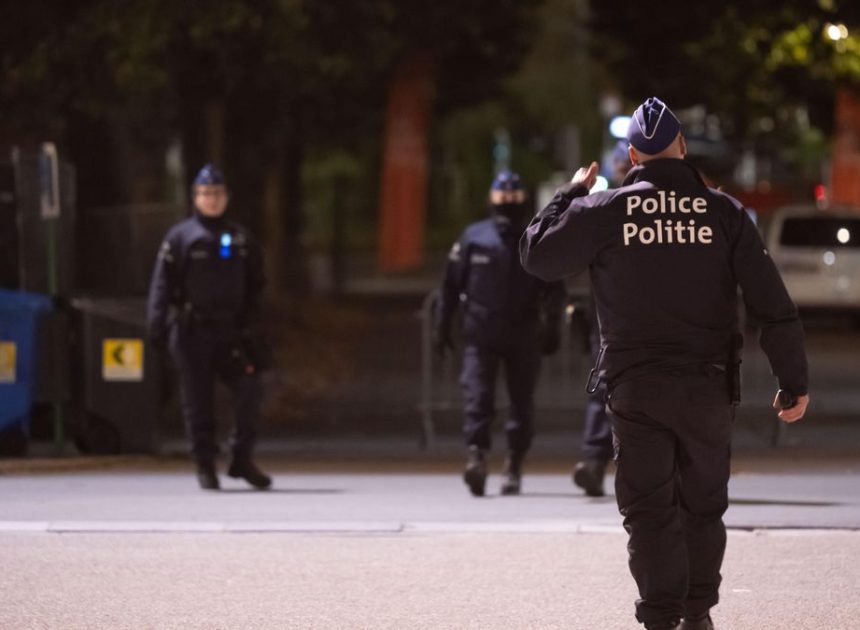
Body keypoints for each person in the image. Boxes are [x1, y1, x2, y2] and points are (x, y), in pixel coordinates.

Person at [520, 97, 809, 630]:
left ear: (632, 155)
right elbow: (772, 303)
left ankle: (660, 618)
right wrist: (794, 380)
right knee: (703, 506)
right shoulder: (723, 213)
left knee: (649, 509)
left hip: (636, 391)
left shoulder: (604, 212)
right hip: (708, 388)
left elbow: (537, 255)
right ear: (680, 146)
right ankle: (696, 614)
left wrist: (568, 195)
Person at [434, 170, 566, 497]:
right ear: (492, 199)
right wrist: (441, 324)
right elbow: (451, 285)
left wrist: (552, 326)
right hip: (481, 333)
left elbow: (553, 287)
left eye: (513, 197)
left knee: (521, 403)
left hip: (523, 334)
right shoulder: (474, 237)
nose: (507, 202)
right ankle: (476, 458)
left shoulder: (534, 237)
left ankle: (514, 465)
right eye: (502, 197)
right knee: (478, 398)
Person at [147, 164, 272, 491]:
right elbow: (161, 286)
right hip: (192, 331)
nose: (211, 199)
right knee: (197, 401)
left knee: (250, 388)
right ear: (195, 198)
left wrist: (252, 327)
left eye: (217, 193)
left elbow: (257, 286)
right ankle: (204, 464)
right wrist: (156, 327)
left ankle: (241, 458)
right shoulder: (181, 237)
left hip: (231, 331)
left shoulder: (242, 239)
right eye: (205, 193)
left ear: (226, 197)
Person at [573, 140, 633, 497]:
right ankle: (595, 463)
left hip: (635, 317)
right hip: (610, 317)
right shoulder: (604, 206)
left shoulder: (616, 206)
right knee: (604, 390)